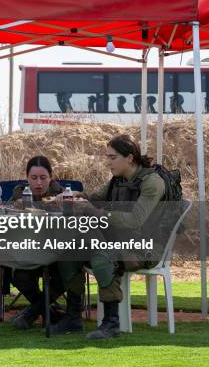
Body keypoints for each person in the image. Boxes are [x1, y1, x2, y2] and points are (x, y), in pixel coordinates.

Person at [53, 134, 166, 339]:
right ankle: (73, 317)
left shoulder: (152, 183)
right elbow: (93, 198)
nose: (108, 162)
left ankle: (111, 323)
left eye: (113, 157)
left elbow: (135, 220)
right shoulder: (118, 180)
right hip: (122, 241)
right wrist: (73, 196)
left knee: (103, 254)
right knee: (69, 250)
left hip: (146, 248)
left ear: (130, 158)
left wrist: (93, 212)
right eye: (108, 157)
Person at [8, 156, 65, 330]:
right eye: (33, 178)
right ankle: (49, 312)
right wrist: (14, 209)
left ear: (51, 177)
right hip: (29, 251)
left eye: (43, 178)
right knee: (19, 277)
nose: (39, 183)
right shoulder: (20, 193)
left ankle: (32, 312)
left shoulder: (61, 195)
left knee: (66, 275)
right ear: (27, 178)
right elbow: (4, 217)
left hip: (57, 253)